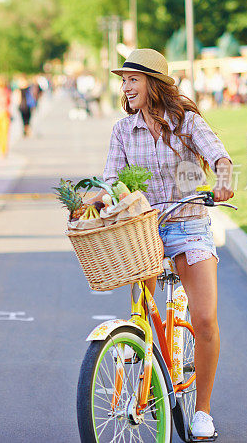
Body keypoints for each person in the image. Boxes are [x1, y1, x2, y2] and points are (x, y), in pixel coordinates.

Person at [99, 48, 234, 439]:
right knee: (140, 316)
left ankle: (203, 411)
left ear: (153, 84)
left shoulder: (186, 123)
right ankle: (141, 377)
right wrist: (98, 197)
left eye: (132, 79)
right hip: (145, 230)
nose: (125, 87)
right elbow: (110, 178)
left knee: (205, 317)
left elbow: (219, 156)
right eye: (123, 80)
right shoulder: (123, 131)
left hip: (189, 224)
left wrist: (223, 180)